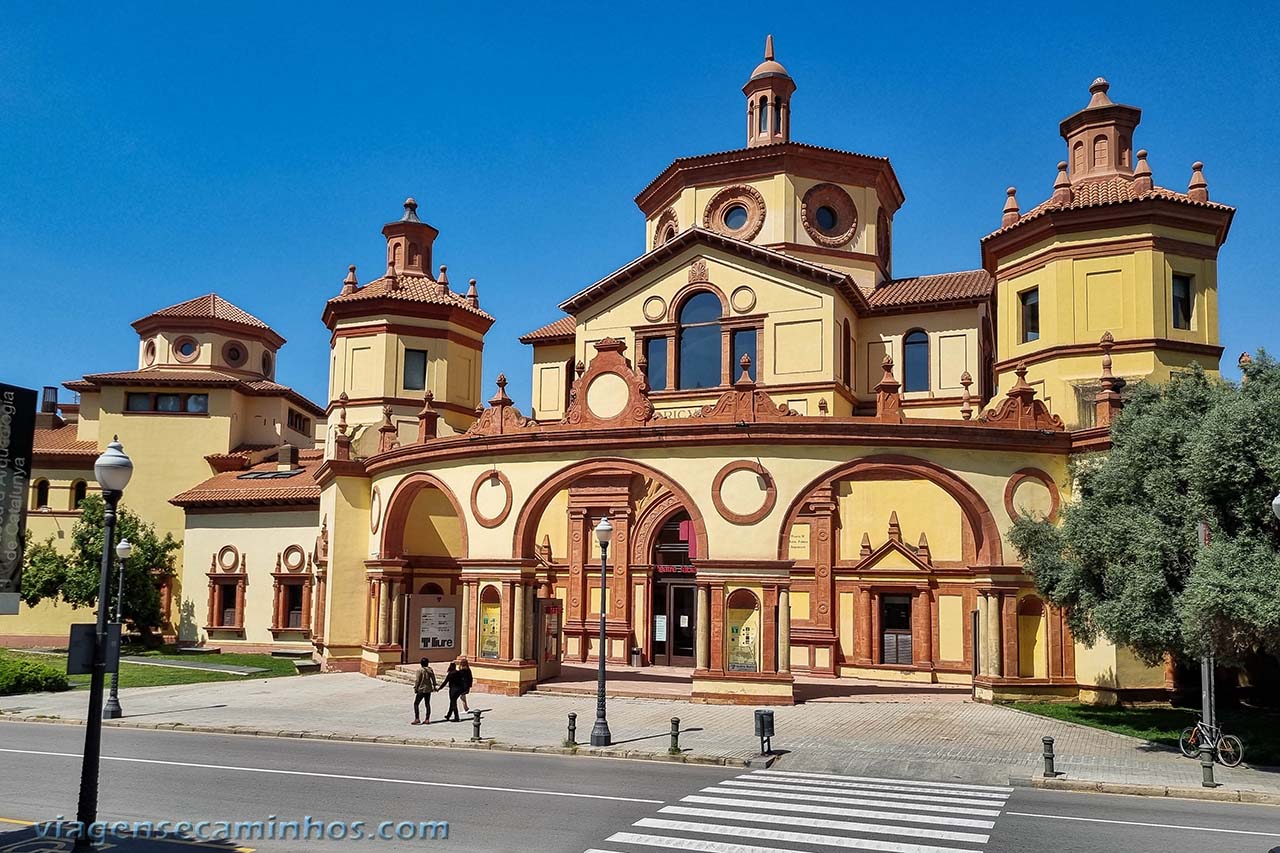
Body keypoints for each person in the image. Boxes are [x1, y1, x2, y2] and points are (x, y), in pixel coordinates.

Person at [411, 657, 436, 725]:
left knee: (416, 703)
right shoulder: (430, 670)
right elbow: (433, 678)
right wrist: (434, 686)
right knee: (427, 704)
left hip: (421, 689)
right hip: (428, 689)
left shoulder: (420, 670)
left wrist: (416, 688)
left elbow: (417, 680)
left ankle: (417, 718)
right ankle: (427, 719)